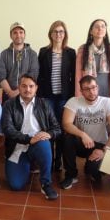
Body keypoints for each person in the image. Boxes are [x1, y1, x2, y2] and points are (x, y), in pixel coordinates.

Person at [2, 74, 61, 200]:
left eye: (31, 86)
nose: (27, 89)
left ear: (36, 88)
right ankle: (28, 165)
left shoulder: (44, 104)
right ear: (19, 87)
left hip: (38, 145)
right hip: (17, 148)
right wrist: (28, 139)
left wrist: (49, 134)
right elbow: (8, 129)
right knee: (15, 185)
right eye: (24, 86)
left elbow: (57, 128)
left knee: (44, 142)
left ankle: (46, 184)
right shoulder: (9, 104)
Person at [60, 75, 110, 189]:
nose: (91, 92)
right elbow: (66, 124)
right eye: (87, 89)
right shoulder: (74, 101)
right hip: (82, 142)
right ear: (81, 91)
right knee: (67, 138)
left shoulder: (108, 102)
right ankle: (71, 175)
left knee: (94, 170)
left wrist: (103, 150)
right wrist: (83, 134)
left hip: (100, 144)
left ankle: (91, 168)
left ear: (98, 87)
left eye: (93, 87)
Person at [37, 20, 76, 171]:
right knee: (48, 128)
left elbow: (73, 76)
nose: (58, 34)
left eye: (61, 31)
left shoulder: (71, 53)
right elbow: (39, 76)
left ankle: (58, 160)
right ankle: (49, 158)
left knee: (61, 129)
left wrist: (72, 97)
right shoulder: (43, 51)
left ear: (64, 34)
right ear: (50, 34)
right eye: (55, 31)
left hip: (64, 98)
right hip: (48, 97)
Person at [75, 19, 110, 105]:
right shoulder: (82, 50)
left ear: (106, 31)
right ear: (91, 31)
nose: (100, 29)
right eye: (97, 26)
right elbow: (78, 76)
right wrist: (79, 97)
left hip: (107, 92)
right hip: (88, 93)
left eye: (103, 26)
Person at [0, 22, 39, 102]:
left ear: (24, 34)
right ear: (11, 35)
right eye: (15, 33)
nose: (18, 35)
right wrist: (10, 92)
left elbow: (33, 75)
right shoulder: (3, 54)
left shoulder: (33, 54)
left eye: (21, 32)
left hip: (28, 95)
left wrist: (19, 91)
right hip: (8, 97)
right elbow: (1, 76)